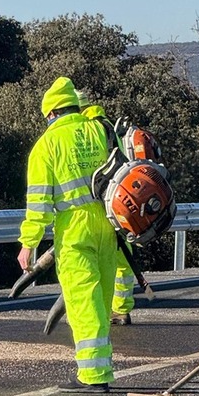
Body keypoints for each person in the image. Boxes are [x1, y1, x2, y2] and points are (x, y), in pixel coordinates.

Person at [18, 77, 117, 390]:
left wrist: (28, 243)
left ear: (50, 114)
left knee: (83, 303)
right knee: (101, 300)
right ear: (76, 106)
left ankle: (94, 376)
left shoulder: (46, 146)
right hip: (108, 225)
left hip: (74, 231)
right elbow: (102, 119)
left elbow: (39, 205)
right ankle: (100, 370)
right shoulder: (99, 129)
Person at [76, 90, 136, 325]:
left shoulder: (87, 129)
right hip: (117, 199)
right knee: (122, 259)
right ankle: (120, 308)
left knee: (99, 260)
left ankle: (109, 309)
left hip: (100, 203)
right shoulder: (106, 125)